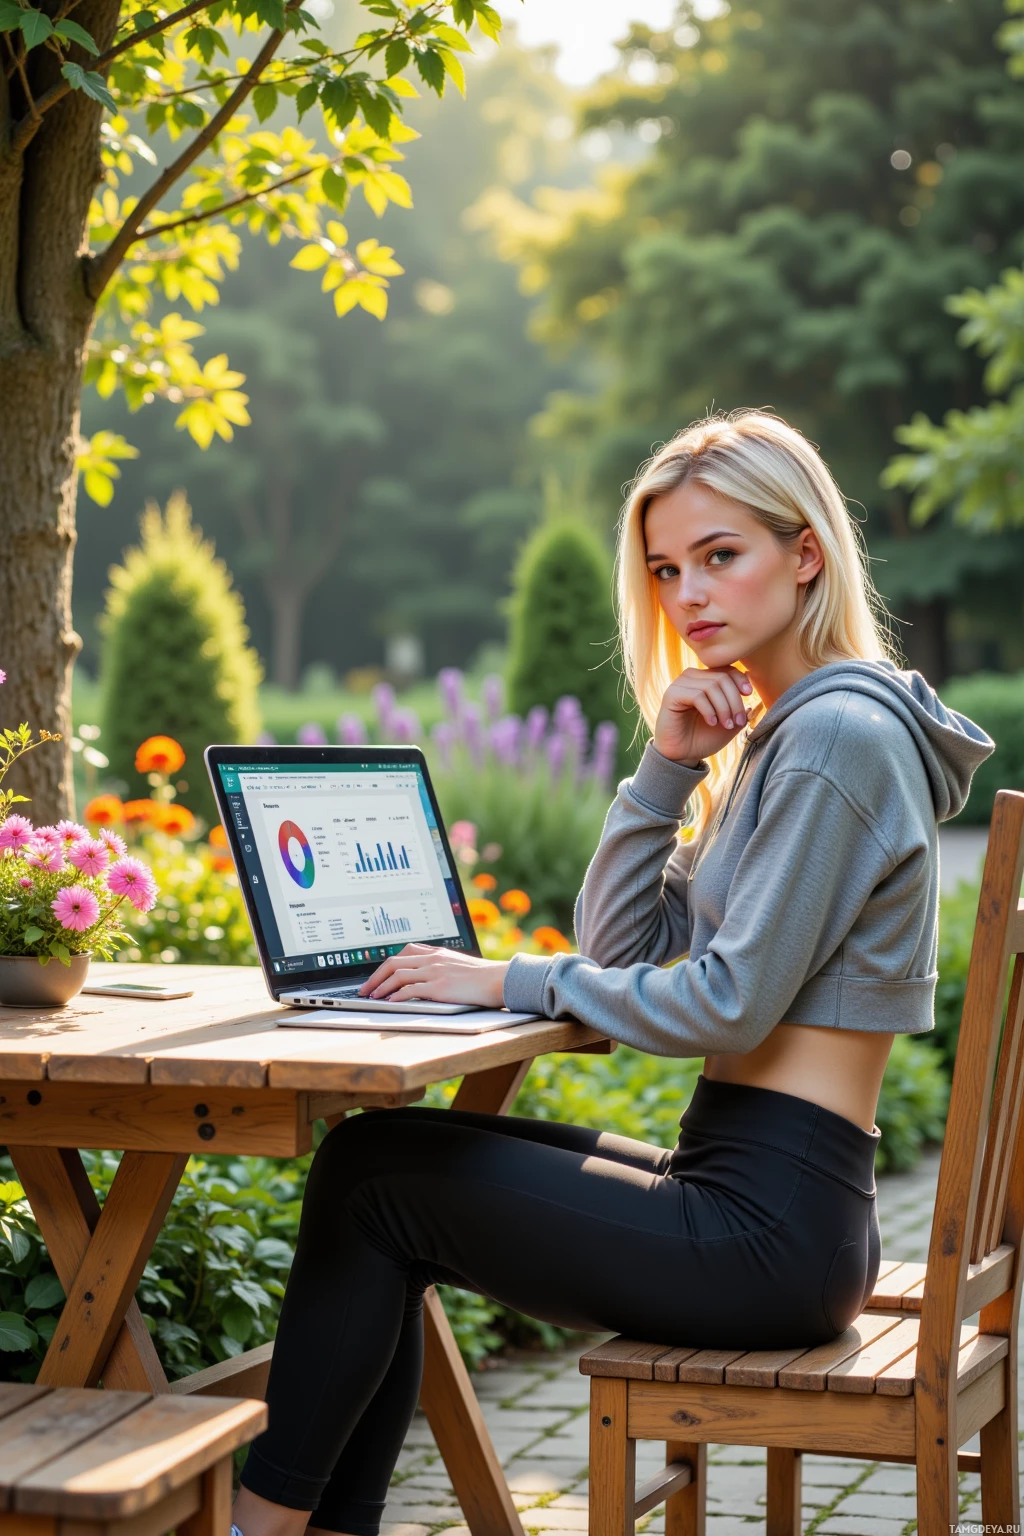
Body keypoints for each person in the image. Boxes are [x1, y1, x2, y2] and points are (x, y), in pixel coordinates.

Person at [231, 409, 995, 1536]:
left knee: (375, 1184)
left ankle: (265, 1525)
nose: (688, 595)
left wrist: (500, 981)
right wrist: (664, 770)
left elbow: (722, 1002)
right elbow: (624, 950)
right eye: (666, 568)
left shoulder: (837, 740)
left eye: (720, 556)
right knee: (372, 1163)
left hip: (767, 1235)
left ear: (805, 554)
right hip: (763, 1200)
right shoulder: (784, 734)